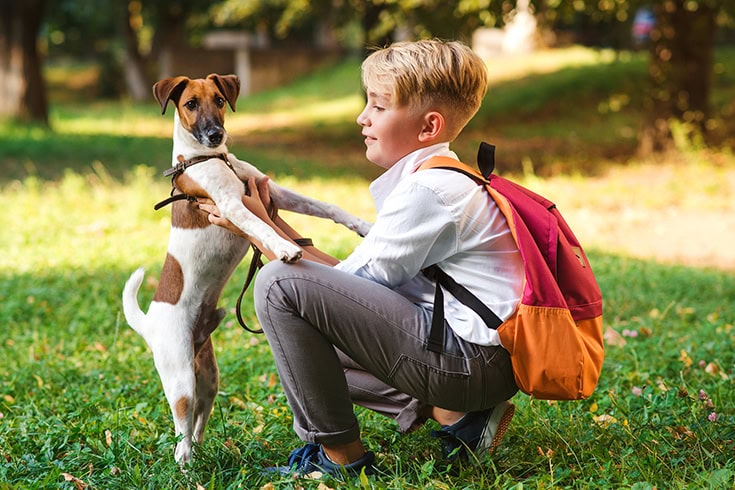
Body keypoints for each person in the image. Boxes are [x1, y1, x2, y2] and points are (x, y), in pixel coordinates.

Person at [199, 39, 524, 477]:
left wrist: (256, 231)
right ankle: (456, 415)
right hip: (473, 359)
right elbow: (344, 286)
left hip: (470, 364)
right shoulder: (440, 178)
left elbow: (333, 290)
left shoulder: (430, 193)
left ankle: (340, 463)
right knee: (304, 344)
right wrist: (275, 225)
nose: (362, 118)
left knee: (277, 285)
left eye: (379, 106)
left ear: (428, 127)